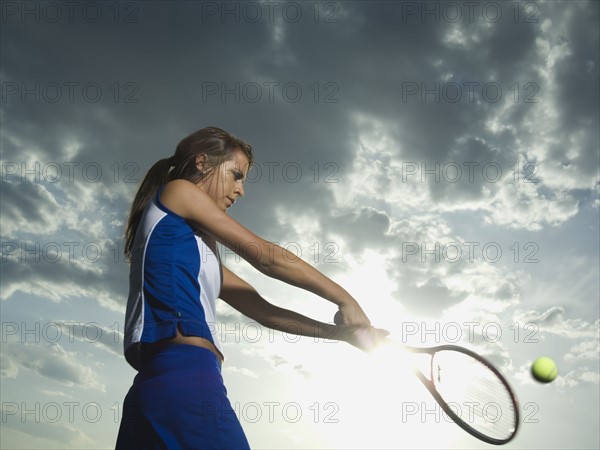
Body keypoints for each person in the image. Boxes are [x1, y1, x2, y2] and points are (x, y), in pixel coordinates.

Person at [115, 126, 387, 449]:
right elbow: (268, 258)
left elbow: (265, 312)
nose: (241, 190)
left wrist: (338, 334)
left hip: (152, 388)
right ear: (202, 163)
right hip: (186, 378)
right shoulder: (179, 192)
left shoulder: (198, 251)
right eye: (236, 175)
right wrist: (346, 299)